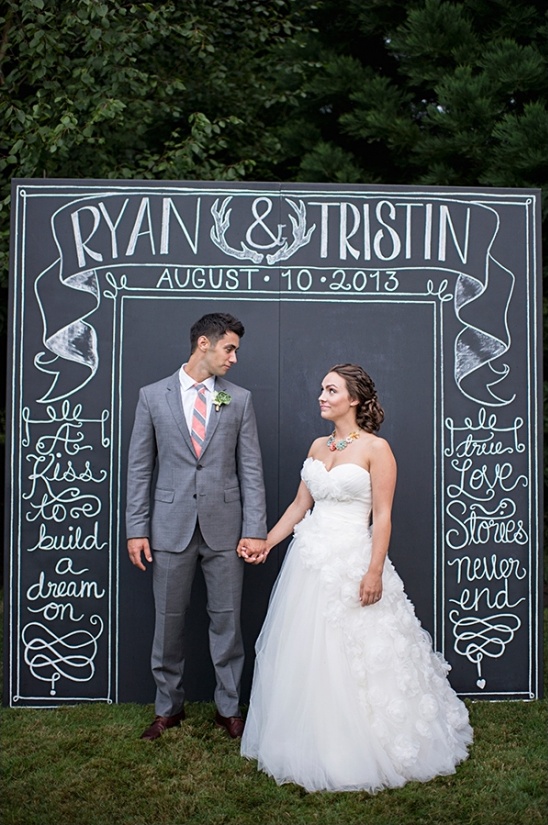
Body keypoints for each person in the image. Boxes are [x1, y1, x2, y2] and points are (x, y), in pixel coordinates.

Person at [240, 364, 472, 792]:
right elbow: (298, 506)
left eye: (331, 390)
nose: (322, 397)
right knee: (309, 654)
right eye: (321, 389)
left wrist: (373, 571)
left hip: (353, 560)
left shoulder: (376, 450)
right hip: (310, 562)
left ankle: (365, 746)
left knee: (361, 656)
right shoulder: (317, 445)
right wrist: (266, 544)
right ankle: (310, 740)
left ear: (354, 399)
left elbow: (382, 517)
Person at [126, 312, 267, 741]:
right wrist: (137, 528)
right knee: (168, 623)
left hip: (226, 529)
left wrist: (255, 528)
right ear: (203, 345)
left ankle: (229, 709)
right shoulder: (152, 397)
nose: (235, 358)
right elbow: (139, 469)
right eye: (230, 348)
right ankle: (168, 708)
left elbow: (251, 470)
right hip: (169, 528)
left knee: (227, 622)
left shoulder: (238, 399)